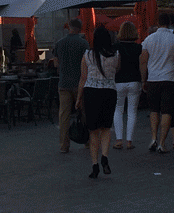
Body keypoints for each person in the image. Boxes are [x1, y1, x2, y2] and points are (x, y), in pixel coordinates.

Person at [139, 12, 174, 154]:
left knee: (154, 110)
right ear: (170, 23)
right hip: (169, 78)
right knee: (167, 111)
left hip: (153, 78)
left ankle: (153, 138)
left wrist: (143, 79)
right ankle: (162, 143)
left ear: (158, 23)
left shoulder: (148, 39)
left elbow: (143, 61)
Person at [77, 25, 119, 179]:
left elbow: (83, 77)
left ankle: (94, 165)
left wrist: (78, 98)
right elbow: (116, 70)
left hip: (91, 92)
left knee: (93, 131)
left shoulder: (88, 54)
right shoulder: (115, 54)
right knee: (106, 129)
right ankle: (105, 157)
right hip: (109, 92)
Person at [54, 18, 89, 154]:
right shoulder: (83, 43)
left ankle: (64, 145)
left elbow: (56, 63)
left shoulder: (59, 43)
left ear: (69, 27)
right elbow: (87, 62)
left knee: (64, 115)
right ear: (80, 28)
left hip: (63, 83)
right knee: (84, 113)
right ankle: (87, 141)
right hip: (80, 83)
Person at [112, 21, 142, 150]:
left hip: (118, 81)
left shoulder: (115, 48)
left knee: (118, 110)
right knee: (132, 111)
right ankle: (129, 141)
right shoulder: (139, 48)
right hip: (135, 81)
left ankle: (119, 140)